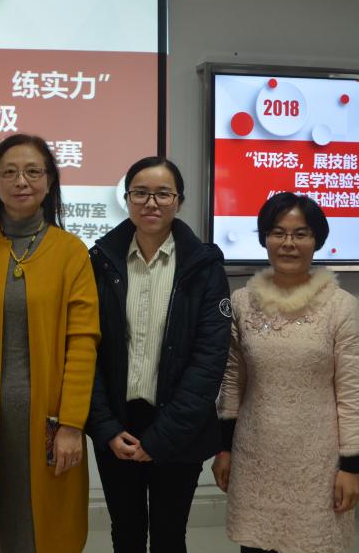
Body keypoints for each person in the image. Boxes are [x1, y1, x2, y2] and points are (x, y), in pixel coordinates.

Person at [0, 133, 100, 553]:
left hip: (50, 421)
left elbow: (82, 343)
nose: (21, 181)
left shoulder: (71, 252)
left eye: (33, 171)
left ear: (49, 182)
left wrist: (72, 425)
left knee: (49, 529)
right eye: (9, 172)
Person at [212, 192, 359, 553]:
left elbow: (354, 393)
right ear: (264, 238)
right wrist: (224, 448)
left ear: (317, 239)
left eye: (301, 233)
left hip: (317, 463)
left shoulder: (342, 307)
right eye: (278, 232)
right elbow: (233, 380)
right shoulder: (242, 303)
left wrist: (351, 466)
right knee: (255, 545)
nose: (288, 243)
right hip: (254, 455)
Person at [85, 155, 232, 553]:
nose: (151, 202)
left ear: (178, 201)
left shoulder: (204, 266)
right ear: (127, 199)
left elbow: (209, 359)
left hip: (180, 424)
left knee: (169, 535)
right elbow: (86, 350)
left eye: (163, 194)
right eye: (140, 193)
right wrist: (105, 427)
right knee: (126, 533)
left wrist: (164, 436)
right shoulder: (100, 262)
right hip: (118, 424)